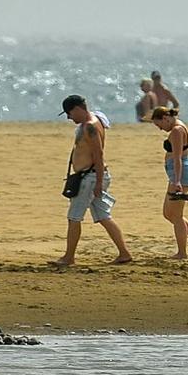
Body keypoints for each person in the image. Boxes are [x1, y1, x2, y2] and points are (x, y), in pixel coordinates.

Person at [54, 94, 134, 267]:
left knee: (74, 217)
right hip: (92, 176)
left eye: (69, 113)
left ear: (78, 109)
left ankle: (69, 257)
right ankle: (124, 253)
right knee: (104, 216)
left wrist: (98, 182)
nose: (69, 117)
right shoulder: (95, 119)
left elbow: (98, 154)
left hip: (90, 178)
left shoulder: (90, 126)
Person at [149, 104, 188, 258]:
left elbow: (178, 158)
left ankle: (182, 252)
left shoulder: (176, 130)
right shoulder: (180, 127)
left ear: (166, 118)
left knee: (176, 215)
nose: (160, 129)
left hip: (180, 174)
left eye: (159, 124)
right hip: (178, 173)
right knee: (168, 213)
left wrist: (177, 181)